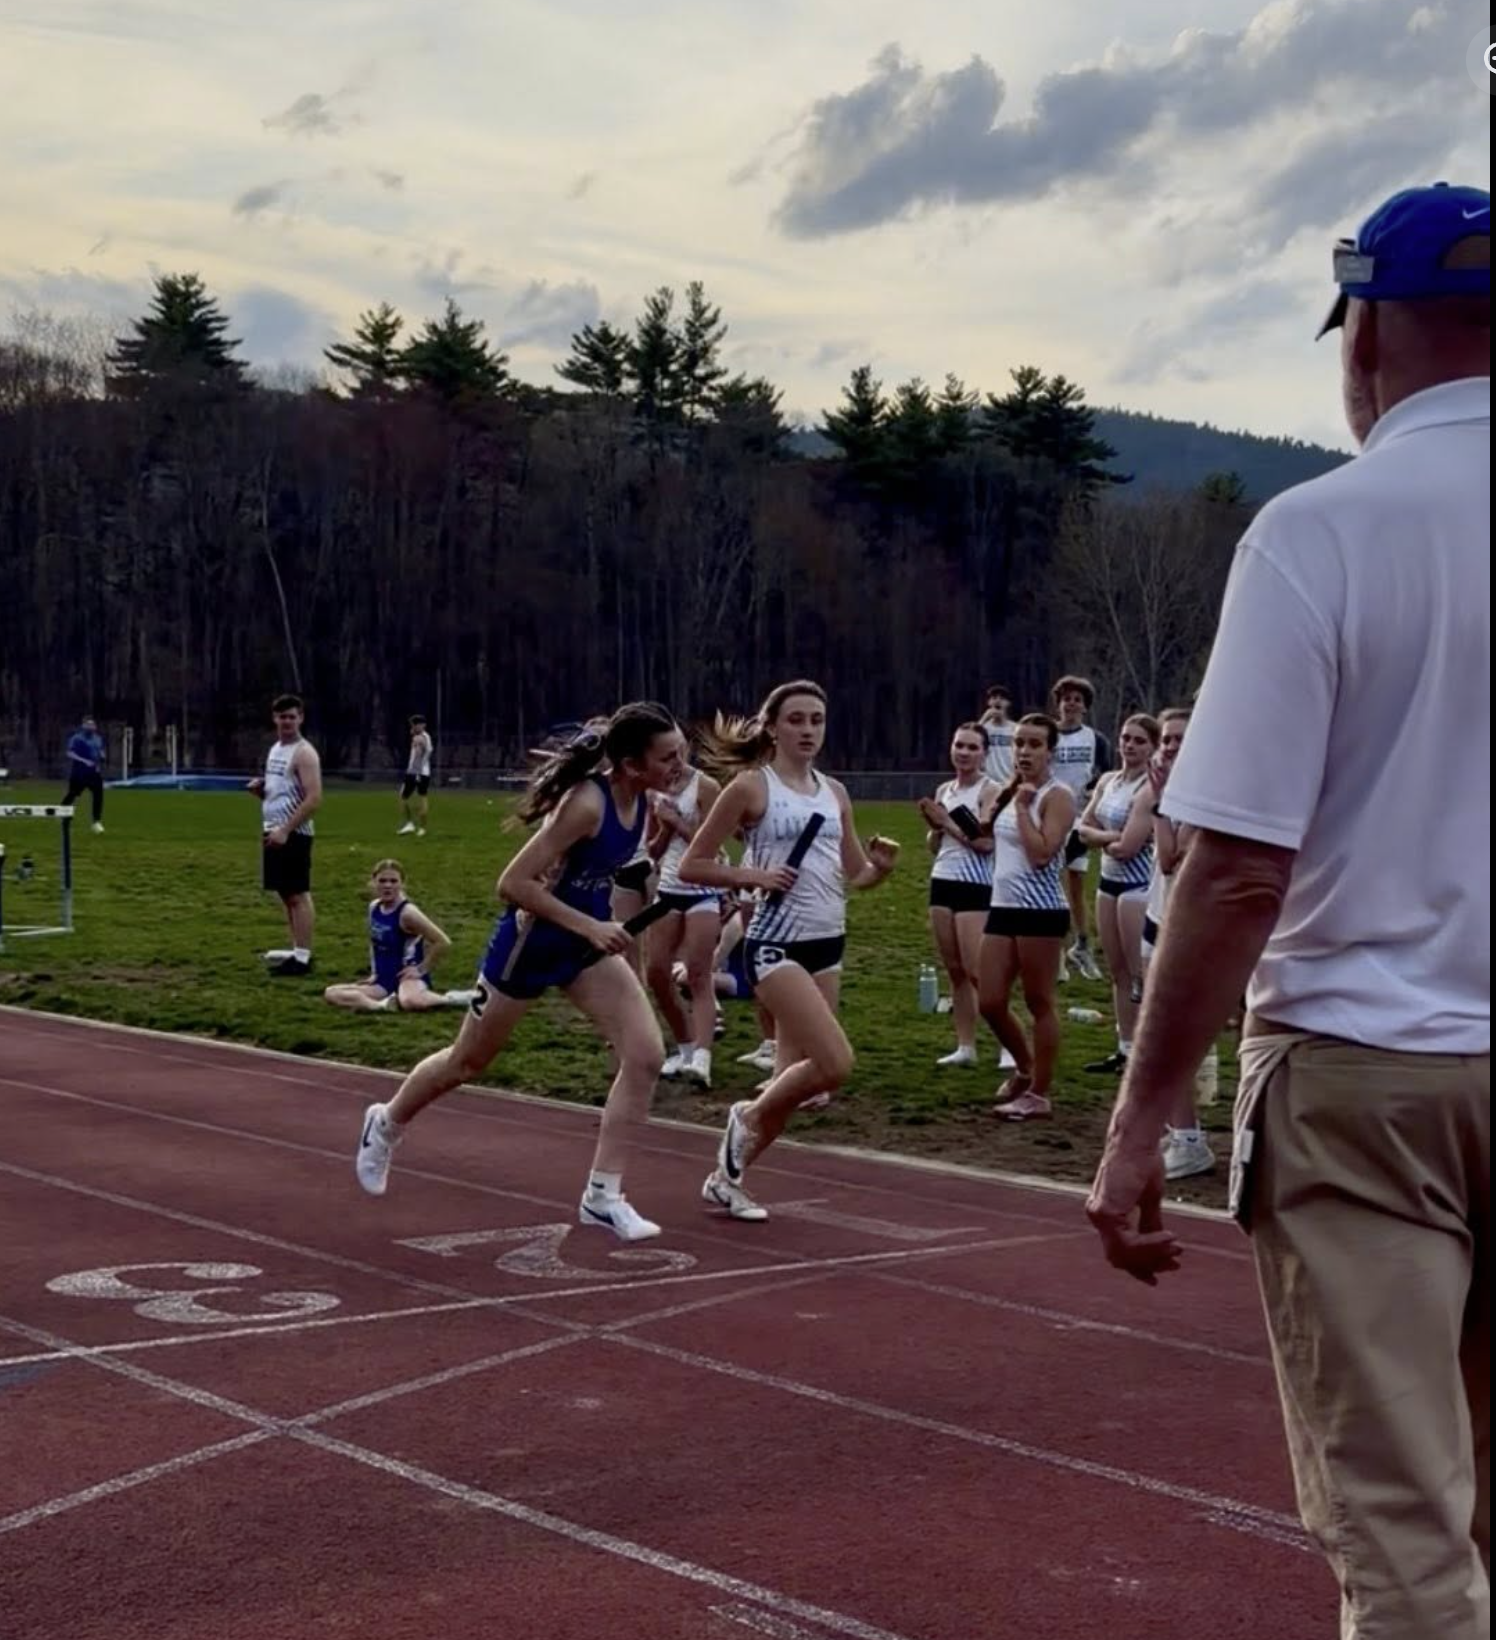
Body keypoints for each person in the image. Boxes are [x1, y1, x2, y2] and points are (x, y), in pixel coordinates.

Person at [1087, 182, 1490, 1640]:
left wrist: (1144, 1120)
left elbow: (1239, 862)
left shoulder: (1322, 531)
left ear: (1366, 332)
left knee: (1403, 1535)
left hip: (1363, 1066)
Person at [355, 702, 687, 1243]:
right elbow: (513, 883)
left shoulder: (645, 799)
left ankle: (603, 1195)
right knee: (467, 1062)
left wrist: (653, 858)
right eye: (668, 756)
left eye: (681, 752)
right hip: (529, 947)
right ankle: (387, 1121)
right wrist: (589, 924)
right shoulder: (586, 803)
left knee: (647, 1055)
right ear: (630, 764)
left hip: (583, 946)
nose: (679, 764)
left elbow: (604, 863)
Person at [680, 680, 899, 1220]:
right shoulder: (752, 787)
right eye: (796, 719)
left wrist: (882, 870)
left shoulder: (835, 792)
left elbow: (856, 875)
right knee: (835, 1064)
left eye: (816, 720)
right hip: (776, 945)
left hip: (829, 941)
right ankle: (745, 1114)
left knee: (794, 1083)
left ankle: (726, 1180)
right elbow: (695, 865)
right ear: (772, 726)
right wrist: (755, 873)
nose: (807, 730)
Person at [976, 714, 1076, 1121]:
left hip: (1040, 911)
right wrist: (943, 824)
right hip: (1003, 906)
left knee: (1039, 1001)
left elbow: (1041, 854)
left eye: (1034, 744)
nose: (1024, 752)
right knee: (990, 1000)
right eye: (1019, 743)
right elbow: (986, 839)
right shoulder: (1009, 790)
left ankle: (1038, 1092)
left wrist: (1021, 809)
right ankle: (1024, 1066)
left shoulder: (1058, 796)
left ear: (1050, 751)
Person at [1144, 709, 1218, 1182]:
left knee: (1172, 1038)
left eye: (1179, 740)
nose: (1169, 747)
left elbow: (1172, 857)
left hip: (1199, 930)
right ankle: (1181, 1129)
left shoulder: (1205, 793)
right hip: (1162, 919)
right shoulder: (1172, 794)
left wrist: (1158, 803)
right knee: (1160, 1036)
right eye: (1166, 739)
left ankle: (1192, 1141)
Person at [1074, 714, 1159, 1076]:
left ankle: (1145, 1052)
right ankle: (1124, 1048)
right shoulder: (1108, 780)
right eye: (1126, 737)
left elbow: (1129, 847)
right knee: (1118, 972)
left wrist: (1104, 839)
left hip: (1137, 886)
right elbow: (1083, 828)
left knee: (1140, 975)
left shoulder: (1150, 788)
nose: (1129, 745)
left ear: (1151, 747)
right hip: (1108, 882)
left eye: (1139, 740)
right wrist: (1109, 837)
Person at [916, 722, 998, 1068]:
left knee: (979, 970)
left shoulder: (989, 790)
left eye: (971, 747)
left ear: (984, 753)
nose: (963, 753)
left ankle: (1007, 1044)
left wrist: (946, 822)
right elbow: (937, 844)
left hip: (975, 885)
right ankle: (966, 1046)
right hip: (943, 880)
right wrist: (935, 829)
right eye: (959, 745)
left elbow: (984, 842)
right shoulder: (945, 789)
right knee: (954, 972)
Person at [644, 760, 724, 1087]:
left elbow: (712, 849)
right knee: (657, 972)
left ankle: (703, 1059)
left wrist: (677, 822)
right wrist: (664, 827)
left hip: (702, 890)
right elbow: (653, 850)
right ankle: (685, 1047)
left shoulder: (706, 787)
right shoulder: (654, 789)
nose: (670, 760)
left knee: (697, 974)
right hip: (668, 889)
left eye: (676, 751)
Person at [323, 859, 471, 1013]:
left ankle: (456, 998)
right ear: (373, 883)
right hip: (383, 980)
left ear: (402, 884)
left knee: (411, 1002)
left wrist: (420, 970)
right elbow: (374, 942)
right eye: (382, 881)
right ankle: (382, 1006)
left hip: (405, 978)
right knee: (332, 993)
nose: (388, 886)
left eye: (393, 881)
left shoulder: (407, 913)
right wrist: (374, 973)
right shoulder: (374, 907)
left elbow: (442, 941)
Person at [247, 694, 322, 977]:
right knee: (285, 894)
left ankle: (303, 957)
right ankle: (296, 948)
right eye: (282, 717)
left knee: (298, 894)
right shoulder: (276, 749)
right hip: (273, 828)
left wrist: (285, 830)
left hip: (293, 833)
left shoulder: (304, 753)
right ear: (274, 718)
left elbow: (314, 798)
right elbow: (285, 787)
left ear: (300, 718)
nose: (287, 721)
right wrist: (261, 789)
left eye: (292, 716)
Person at [1049, 676, 1111, 979]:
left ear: (1085, 707)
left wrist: (1094, 791)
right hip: (1051, 818)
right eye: (1067, 699)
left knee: (1075, 885)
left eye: (1078, 700)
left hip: (1081, 821)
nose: (1071, 704)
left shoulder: (1095, 739)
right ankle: (1056, 953)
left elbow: (1108, 777)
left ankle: (1082, 946)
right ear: (1058, 703)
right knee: (1054, 885)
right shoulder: (1047, 734)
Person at [61, 715, 106, 834]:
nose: (91, 727)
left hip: (94, 773)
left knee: (98, 796)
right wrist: (83, 761)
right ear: (83, 726)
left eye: (93, 724)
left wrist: (102, 755)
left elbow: (100, 750)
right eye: (89, 724)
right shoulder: (77, 738)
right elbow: (70, 753)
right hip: (79, 773)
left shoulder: (98, 738)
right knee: (73, 795)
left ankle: (96, 821)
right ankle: (63, 814)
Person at [397, 716, 434, 837]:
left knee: (416, 798)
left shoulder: (420, 738)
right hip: (420, 772)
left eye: (414, 725)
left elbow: (421, 753)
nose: (412, 727)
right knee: (410, 797)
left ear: (421, 725)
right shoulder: (424, 737)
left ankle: (416, 826)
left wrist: (415, 769)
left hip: (417, 772)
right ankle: (415, 826)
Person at [978, 685, 1016, 784]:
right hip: (987, 782)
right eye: (994, 698)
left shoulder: (1015, 729)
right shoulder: (983, 728)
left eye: (1002, 698)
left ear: (1008, 703)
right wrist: (984, 719)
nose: (998, 700)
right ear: (989, 702)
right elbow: (971, 737)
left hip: (1009, 782)